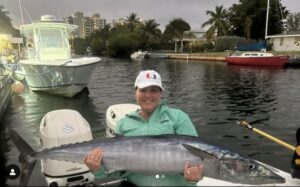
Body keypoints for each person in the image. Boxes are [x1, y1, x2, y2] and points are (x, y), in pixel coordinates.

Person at [84, 70, 203, 186]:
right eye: (143, 90)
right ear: (135, 92)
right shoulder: (123, 124)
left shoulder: (178, 117)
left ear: (160, 93)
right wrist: (98, 170)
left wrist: (195, 177)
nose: (148, 95)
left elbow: (198, 160)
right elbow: (117, 173)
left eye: (154, 90)